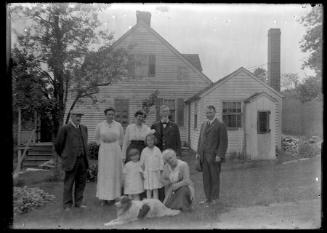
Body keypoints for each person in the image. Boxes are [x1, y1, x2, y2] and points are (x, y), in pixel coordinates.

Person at [54, 110, 89, 211]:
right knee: (69, 183)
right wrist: (65, 155)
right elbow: (58, 145)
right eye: (77, 116)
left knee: (81, 183)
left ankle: (79, 203)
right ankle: (67, 205)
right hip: (70, 160)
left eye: (80, 116)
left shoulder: (84, 128)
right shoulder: (65, 128)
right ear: (71, 117)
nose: (79, 118)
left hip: (83, 160)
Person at [196, 105, 228, 206]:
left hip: (214, 157)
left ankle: (214, 199)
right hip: (204, 157)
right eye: (207, 112)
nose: (208, 114)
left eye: (210, 112)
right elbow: (200, 140)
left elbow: (223, 142)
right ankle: (207, 198)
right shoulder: (204, 124)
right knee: (206, 178)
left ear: (215, 112)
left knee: (214, 178)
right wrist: (198, 152)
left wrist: (220, 155)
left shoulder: (220, 125)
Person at [151, 105, 182, 202]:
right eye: (163, 111)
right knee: (160, 176)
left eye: (167, 111)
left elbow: (178, 141)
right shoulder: (154, 125)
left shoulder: (174, 125)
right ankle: (160, 198)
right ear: (160, 113)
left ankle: (171, 198)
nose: (165, 113)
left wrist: (178, 154)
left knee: (171, 176)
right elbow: (151, 141)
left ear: (169, 113)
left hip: (170, 156)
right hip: (158, 155)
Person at [95, 107, 124, 206]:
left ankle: (114, 197)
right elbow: (97, 139)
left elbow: (121, 139)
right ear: (105, 115)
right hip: (104, 150)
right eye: (109, 114)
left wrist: (114, 146)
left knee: (114, 172)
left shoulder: (118, 125)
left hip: (115, 151)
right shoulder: (100, 125)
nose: (110, 116)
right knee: (104, 173)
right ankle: (103, 197)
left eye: (112, 114)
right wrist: (104, 144)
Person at [140, 134, 164, 199]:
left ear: (154, 141)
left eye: (151, 140)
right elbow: (141, 163)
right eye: (148, 140)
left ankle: (156, 202)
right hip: (147, 173)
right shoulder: (144, 151)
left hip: (156, 172)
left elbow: (161, 160)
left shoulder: (157, 150)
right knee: (148, 189)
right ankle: (149, 202)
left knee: (155, 189)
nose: (150, 142)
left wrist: (161, 170)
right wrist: (141, 172)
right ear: (146, 141)